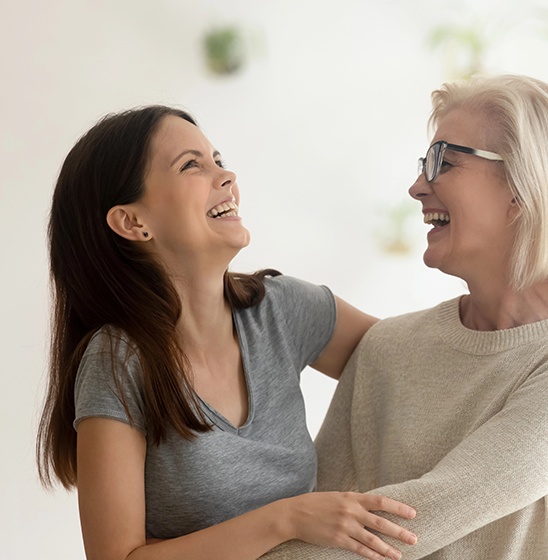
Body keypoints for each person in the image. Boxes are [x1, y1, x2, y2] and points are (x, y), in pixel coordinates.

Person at [260, 74, 548, 560]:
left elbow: (404, 524)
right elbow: (318, 517)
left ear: (525, 186)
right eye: (424, 163)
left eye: (444, 161)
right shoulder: (386, 348)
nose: (418, 186)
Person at [36, 106, 419, 560]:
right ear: (133, 223)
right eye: (192, 165)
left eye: (218, 158)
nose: (226, 175)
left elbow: (409, 364)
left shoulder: (280, 309)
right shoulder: (119, 360)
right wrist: (288, 519)